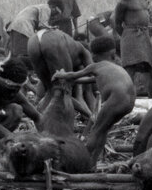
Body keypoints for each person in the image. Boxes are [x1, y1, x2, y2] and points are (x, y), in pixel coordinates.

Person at [53, 35, 136, 165]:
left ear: (94, 55)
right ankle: (93, 162)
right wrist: (74, 81)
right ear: (112, 54)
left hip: (117, 98)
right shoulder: (114, 68)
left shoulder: (95, 66)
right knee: (103, 130)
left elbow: (73, 75)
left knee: (96, 130)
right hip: (130, 101)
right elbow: (90, 79)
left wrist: (60, 74)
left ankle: (82, 160)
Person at [113, 0, 152, 98]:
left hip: (144, 36)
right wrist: (128, 36)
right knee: (129, 70)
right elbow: (117, 24)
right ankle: (127, 100)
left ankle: (151, 98)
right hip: (130, 37)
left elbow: (149, 16)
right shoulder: (122, 4)